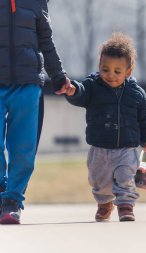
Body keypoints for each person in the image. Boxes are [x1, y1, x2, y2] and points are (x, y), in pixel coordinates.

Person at [65, 32, 146, 222]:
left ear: (128, 72)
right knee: (99, 181)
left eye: (117, 71)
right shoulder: (92, 87)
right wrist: (73, 90)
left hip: (126, 147)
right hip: (99, 147)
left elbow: (144, 118)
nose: (110, 75)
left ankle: (125, 205)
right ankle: (105, 202)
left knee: (126, 176)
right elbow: (81, 94)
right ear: (99, 67)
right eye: (105, 69)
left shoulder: (136, 94)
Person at [0, 0, 72, 224]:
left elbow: (45, 41)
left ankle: (12, 201)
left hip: (28, 85)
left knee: (23, 147)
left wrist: (58, 75)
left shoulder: (36, 2)